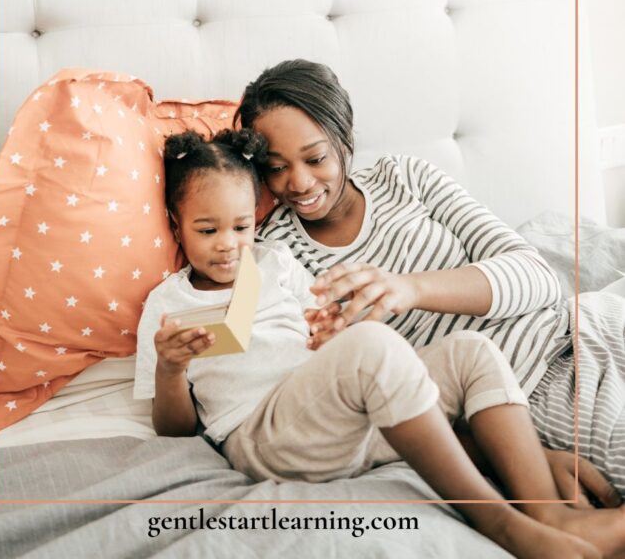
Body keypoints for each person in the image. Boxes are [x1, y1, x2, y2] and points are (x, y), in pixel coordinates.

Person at [134, 128, 625, 559]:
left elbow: (332, 332)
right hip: (263, 435)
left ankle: (547, 513)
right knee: (372, 346)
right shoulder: (167, 303)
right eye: (207, 230)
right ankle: (500, 522)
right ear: (177, 227)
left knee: (470, 351)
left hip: (339, 419)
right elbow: (173, 431)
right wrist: (171, 369)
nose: (228, 244)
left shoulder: (275, 262)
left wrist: (332, 329)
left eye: (241, 227)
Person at [235, 59, 625, 505]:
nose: (299, 182)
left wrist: (410, 288)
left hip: (586, 324)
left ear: (345, 140)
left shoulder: (404, 177)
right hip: (523, 391)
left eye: (315, 158)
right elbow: (369, 408)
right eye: (275, 166)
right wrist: (516, 455)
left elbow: (538, 276)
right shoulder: (277, 255)